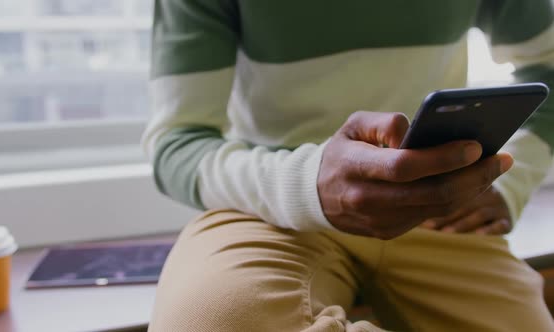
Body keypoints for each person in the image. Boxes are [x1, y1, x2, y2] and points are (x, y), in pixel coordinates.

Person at [142, 1, 554, 331]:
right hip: (271, 208)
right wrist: (307, 186)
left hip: (434, 211)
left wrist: (510, 181)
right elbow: (177, 144)